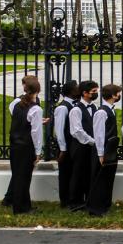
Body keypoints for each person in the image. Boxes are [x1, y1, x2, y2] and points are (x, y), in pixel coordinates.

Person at [6, 78, 44, 214]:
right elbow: (36, 133)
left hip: (15, 145)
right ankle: (21, 207)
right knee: (25, 177)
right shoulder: (36, 109)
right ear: (38, 91)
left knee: (18, 175)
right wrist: (38, 151)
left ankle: (23, 205)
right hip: (27, 146)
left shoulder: (17, 105)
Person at [87, 84, 122, 216]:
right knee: (99, 180)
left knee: (107, 179)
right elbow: (99, 134)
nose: (119, 95)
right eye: (118, 93)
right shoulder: (102, 112)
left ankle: (104, 205)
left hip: (109, 149)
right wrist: (101, 154)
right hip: (102, 151)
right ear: (113, 95)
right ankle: (96, 208)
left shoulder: (110, 109)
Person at [66, 80, 99, 211]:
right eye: (93, 92)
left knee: (88, 173)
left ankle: (87, 199)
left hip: (90, 146)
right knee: (78, 173)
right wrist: (92, 141)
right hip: (80, 146)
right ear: (84, 93)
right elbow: (76, 131)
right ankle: (74, 201)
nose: (96, 94)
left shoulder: (94, 107)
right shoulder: (76, 110)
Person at [51, 80, 79, 208]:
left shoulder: (75, 105)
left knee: (73, 172)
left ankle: (73, 198)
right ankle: (65, 201)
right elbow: (59, 130)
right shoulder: (63, 108)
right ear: (71, 91)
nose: (79, 90)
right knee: (65, 174)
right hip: (66, 146)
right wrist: (63, 149)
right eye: (76, 88)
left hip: (73, 146)